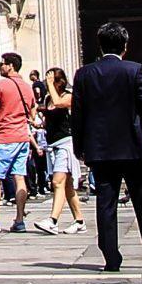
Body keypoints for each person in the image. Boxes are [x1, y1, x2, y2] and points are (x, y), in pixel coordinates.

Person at [72, 21, 142, 273]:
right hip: (132, 148)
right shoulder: (134, 70)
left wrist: (80, 147)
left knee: (105, 204)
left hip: (100, 150)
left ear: (100, 45)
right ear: (125, 46)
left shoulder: (84, 74)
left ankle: (111, 257)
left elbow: (77, 114)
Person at [0, 54, 36, 233]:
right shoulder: (27, 87)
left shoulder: (0, 84)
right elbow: (33, 116)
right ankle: (19, 220)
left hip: (5, 137)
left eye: (2, 64)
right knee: (19, 177)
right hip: (22, 138)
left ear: (10, 66)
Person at [35, 68, 83, 233]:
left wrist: (50, 85)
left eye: (51, 80)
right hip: (53, 144)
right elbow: (52, 119)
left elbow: (58, 104)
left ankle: (53, 220)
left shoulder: (68, 96)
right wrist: (38, 124)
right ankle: (79, 221)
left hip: (66, 144)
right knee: (67, 186)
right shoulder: (48, 98)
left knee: (57, 182)